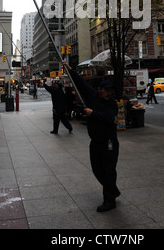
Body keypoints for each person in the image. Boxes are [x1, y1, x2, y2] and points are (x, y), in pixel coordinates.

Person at [63, 61, 120, 212]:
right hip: (95, 141)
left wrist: (92, 113)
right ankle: (112, 190)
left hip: (109, 142)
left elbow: (109, 117)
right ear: (100, 90)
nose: (109, 94)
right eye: (106, 91)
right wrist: (69, 69)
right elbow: (79, 82)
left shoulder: (112, 104)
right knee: (97, 169)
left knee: (108, 169)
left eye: (111, 91)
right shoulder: (92, 95)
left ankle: (109, 200)